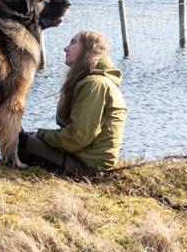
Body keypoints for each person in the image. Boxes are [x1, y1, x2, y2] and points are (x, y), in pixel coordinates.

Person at [17, 29, 125, 178]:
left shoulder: (95, 84)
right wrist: (40, 135)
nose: (65, 48)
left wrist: (42, 135)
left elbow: (78, 138)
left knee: (18, 141)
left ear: (89, 49)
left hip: (87, 168)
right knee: (27, 136)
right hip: (84, 158)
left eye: (73, 42)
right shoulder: (95, 81)